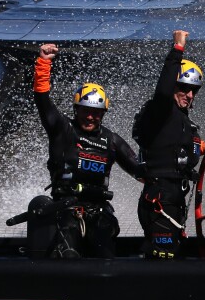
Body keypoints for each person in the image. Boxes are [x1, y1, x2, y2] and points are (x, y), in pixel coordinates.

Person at [27, 43, 143, 258]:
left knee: (106, 256)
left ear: (103, 113)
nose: (90, 117)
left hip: (99, 212)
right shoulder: (63, 129)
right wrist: (43, 64)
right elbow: (42, 101)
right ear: (76, 109)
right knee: (68, 253)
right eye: (85, 111)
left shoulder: (111, 140)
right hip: (66, 210)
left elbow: (141, 172)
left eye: (96, 113)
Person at [133, 30, 205, 259]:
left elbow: (177, 150)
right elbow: (162, 90)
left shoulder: (185, 122)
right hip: (159, 197)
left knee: (170, 252)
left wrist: (202, 146)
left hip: (174, 200)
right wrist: (177, 48)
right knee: (163, 255)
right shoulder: (160, 110)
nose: (189, 95)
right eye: (183, 88)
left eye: (194, 90)